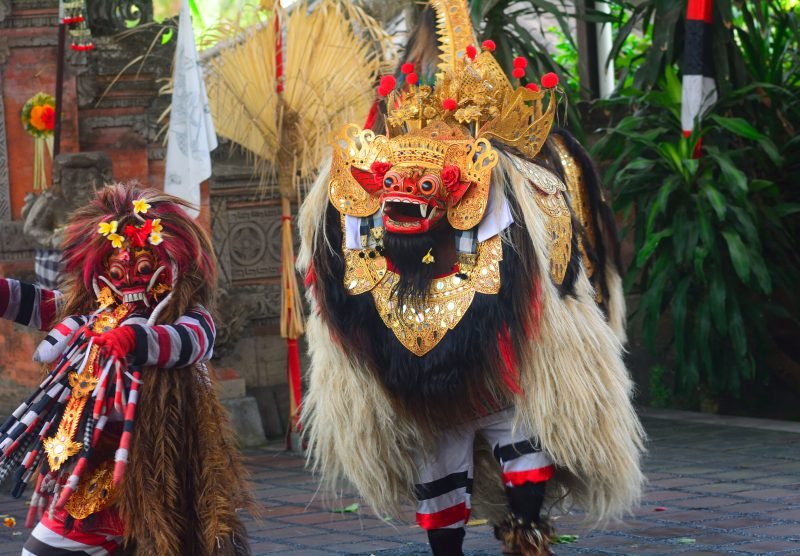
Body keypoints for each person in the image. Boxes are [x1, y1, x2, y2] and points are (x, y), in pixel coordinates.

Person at [297, 1, 644, 554]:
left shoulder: (501, 214)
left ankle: (526, 529)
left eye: (422, 185)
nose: (404, 196)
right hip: (421, 383)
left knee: (516, 424)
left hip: (501, 368)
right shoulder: (361, 223)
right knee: (439, 449)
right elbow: (345, 261)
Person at [0, 182, 251, 555]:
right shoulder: (97, 312)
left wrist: (136, 340)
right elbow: (46, 305)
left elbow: (191, 340)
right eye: (118, 271)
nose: (130, 279)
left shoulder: (185, 315)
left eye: (144, 267)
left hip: (156, 463)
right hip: (90, 461)